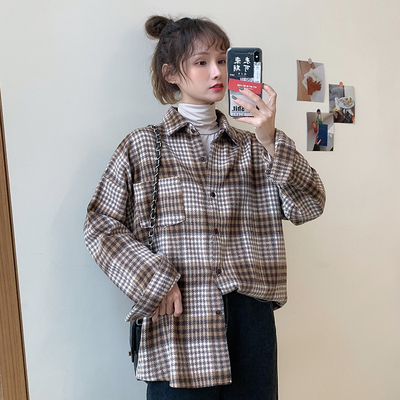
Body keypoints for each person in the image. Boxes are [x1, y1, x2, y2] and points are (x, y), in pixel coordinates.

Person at [84, 15, 326, 400]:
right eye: (201, 62)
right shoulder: (142, 147)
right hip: (180, 322)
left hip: (250, 324)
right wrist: (153, 279)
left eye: (223, 60)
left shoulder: (254, 148)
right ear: (171, 74)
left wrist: (269, 139)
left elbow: (309, 205)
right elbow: (100, 226)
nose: (217, 72)